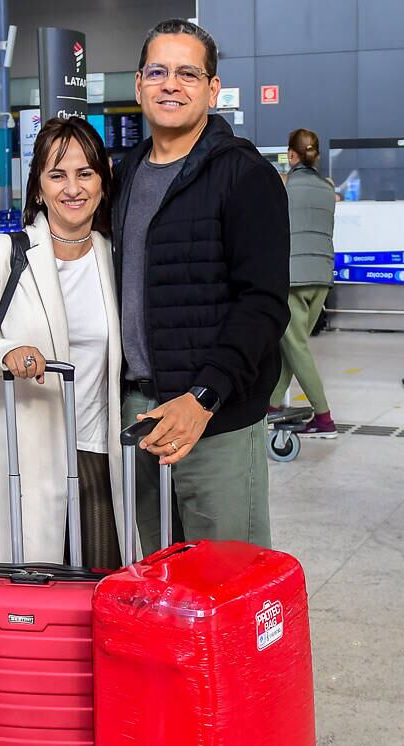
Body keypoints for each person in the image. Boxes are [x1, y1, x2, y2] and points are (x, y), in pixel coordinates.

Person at [0, 117, 125, 606]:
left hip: (95, 452)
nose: (73, 188)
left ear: (103, 180)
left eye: (86, 173)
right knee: (28, 604)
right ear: (38, 184)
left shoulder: (115, 257)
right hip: (22, 455)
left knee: (99, 599)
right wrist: (4, 353)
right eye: (58, 175)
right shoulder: (7, 252)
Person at [114, 18, 290, 555]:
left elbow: (262, 304)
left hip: (214, 417)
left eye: (188, 73)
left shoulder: (243, 174)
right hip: (142, 411)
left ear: (213, 90)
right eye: (158, 71)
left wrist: (203, 396)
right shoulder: (124, 174)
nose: (171, 84)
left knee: (228, 581)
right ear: (139, 84)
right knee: (162, 582)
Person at [270, 128, 338, 437]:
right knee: (292, 346)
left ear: (292, 156)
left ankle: (323, 418)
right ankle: (270, 406)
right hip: (322, 276)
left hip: (291, 276)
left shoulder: (282, 186)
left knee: (295, 345)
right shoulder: (328, 189)